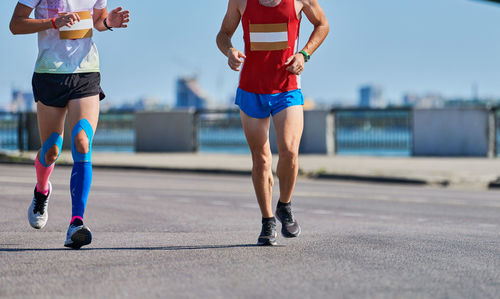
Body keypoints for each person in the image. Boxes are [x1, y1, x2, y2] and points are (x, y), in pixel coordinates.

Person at [10, 0, 129, 249]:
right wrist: (54, 22)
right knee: (51, 149)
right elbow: (16, 24)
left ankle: (76, 222)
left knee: (82, 142)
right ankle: (42, 191)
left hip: (86, 73)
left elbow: (98, 21)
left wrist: (109, 23)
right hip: (49, 74)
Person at [217, 0, 329, 245]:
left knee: (289, 150)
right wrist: (230, 51)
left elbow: (322, 25)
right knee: (262, 158)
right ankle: (267, 220)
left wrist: (304, 53)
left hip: (287, 88)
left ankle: (285, 205)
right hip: (251, 89)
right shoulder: (240, 1)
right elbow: (223, 34)